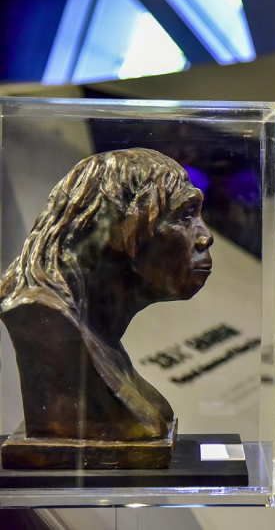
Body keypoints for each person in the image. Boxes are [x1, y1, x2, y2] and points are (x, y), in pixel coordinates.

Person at [0, 148, 213, 453]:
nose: (205, 237)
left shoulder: (96, 331)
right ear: (118, 229)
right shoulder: (45, 317)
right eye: (185, 216)